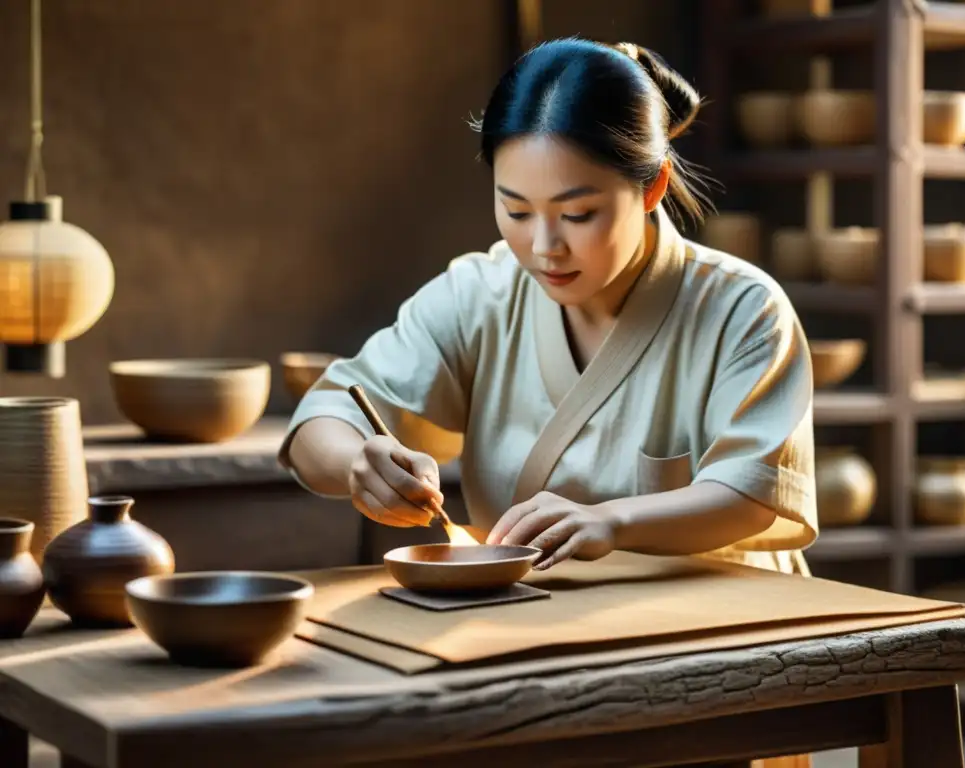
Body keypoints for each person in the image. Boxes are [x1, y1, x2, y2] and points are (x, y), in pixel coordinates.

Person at [278, 37, 817, 576]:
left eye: (578, 214)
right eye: (515, 210)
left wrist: (612, 522)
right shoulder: (479, 295)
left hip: (726, 626)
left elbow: (750, 495)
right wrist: (358, 463)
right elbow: (321, 421)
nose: (543, 247)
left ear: (653, 187)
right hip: (533, 620)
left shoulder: (743, 310)